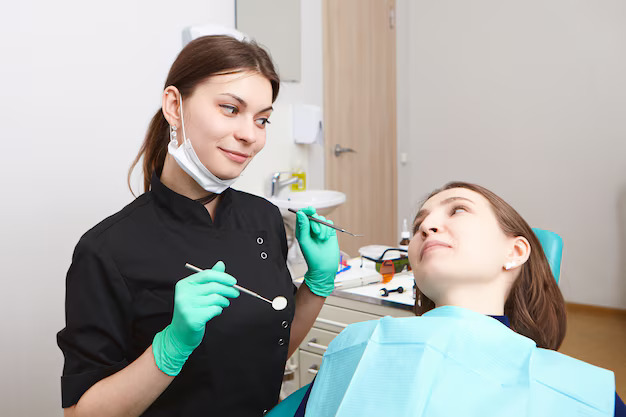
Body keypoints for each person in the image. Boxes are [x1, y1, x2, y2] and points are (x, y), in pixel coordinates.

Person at [57, 35, 339, 417]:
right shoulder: (107, 250)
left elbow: (268, 351)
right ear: (174, 105)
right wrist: (169, 348)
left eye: (262, 119)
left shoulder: (264, 218)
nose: (251, 135)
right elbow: (80, 413)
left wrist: (318, 284)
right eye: (229, 108)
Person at [272, 182, 624, 417]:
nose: (427, 227)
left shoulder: (582, 392)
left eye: (457, 210)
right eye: (421, 222)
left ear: (515, 251)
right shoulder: (355, 347)